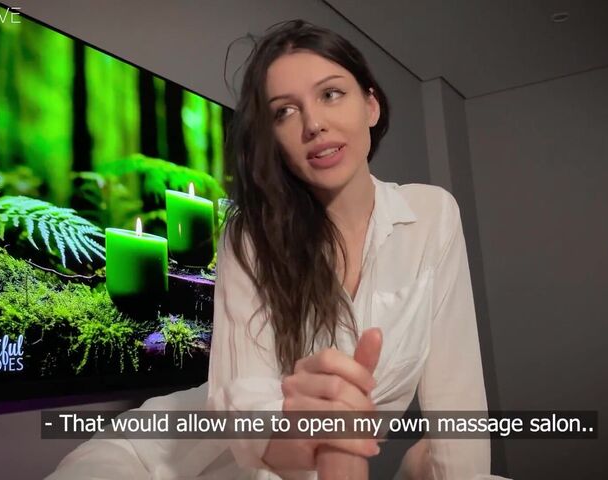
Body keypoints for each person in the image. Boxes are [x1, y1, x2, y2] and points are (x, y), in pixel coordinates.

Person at [49, 19, 503, 480]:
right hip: (166, 455)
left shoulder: (431, 215)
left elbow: (458, 399)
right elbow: (246, 406)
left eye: (331, 94)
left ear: (371, 104)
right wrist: (314, 442)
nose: (314, 124)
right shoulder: (251, 235)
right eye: (285, 111)